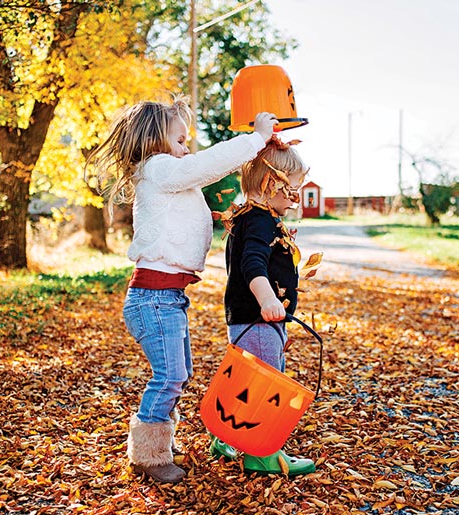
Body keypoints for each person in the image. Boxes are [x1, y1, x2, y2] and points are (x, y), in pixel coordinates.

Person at [86, 96, 278, 483]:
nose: (185, 148)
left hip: (167, 298)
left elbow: (187, 214)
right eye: (179, 140)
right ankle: (149, 455)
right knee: (170, 374)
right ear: (155, 141)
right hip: (153, 299)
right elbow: (204, 167)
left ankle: (159, 443)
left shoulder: (167, 180)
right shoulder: (158, 169)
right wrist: (255, 139)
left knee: (179, 372)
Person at [214, 136, 316, 476]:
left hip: (251, 319)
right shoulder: (258, 221)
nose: (296, 197)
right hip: (258, 318)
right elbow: (252, 265)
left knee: (243, 384)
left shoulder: (252, 217)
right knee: (266, 387)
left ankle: (222, 438)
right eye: (293, 188)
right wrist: (269, 300)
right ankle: (263, 453)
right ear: (271, 183)